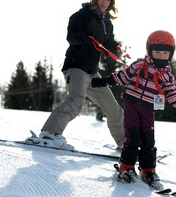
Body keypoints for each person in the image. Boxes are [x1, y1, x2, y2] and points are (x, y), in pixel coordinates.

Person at [91, 30, 176, 189]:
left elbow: (174, 95)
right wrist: (105, 81)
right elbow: (123, 76)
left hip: (148, 109)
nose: (161, 55)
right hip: (132, 106)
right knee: (133, 137)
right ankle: (126, 168)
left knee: (149, 140)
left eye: (165, 52)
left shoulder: (167, 77)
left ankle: (148, 170)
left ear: (171, 54)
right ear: (150, 51)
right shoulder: (139, 65)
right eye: (157, 52)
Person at [26, 0, 125, 149]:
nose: (104, 1)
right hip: (76, 66)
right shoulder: (81, 15)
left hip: (92, 71)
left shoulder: (107, 23)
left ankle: (126, 143)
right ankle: (50, 133)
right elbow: (71, 36)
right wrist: (86, 38)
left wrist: (114, 46)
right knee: (76, 100)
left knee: (112, 106)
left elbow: (107, 42)